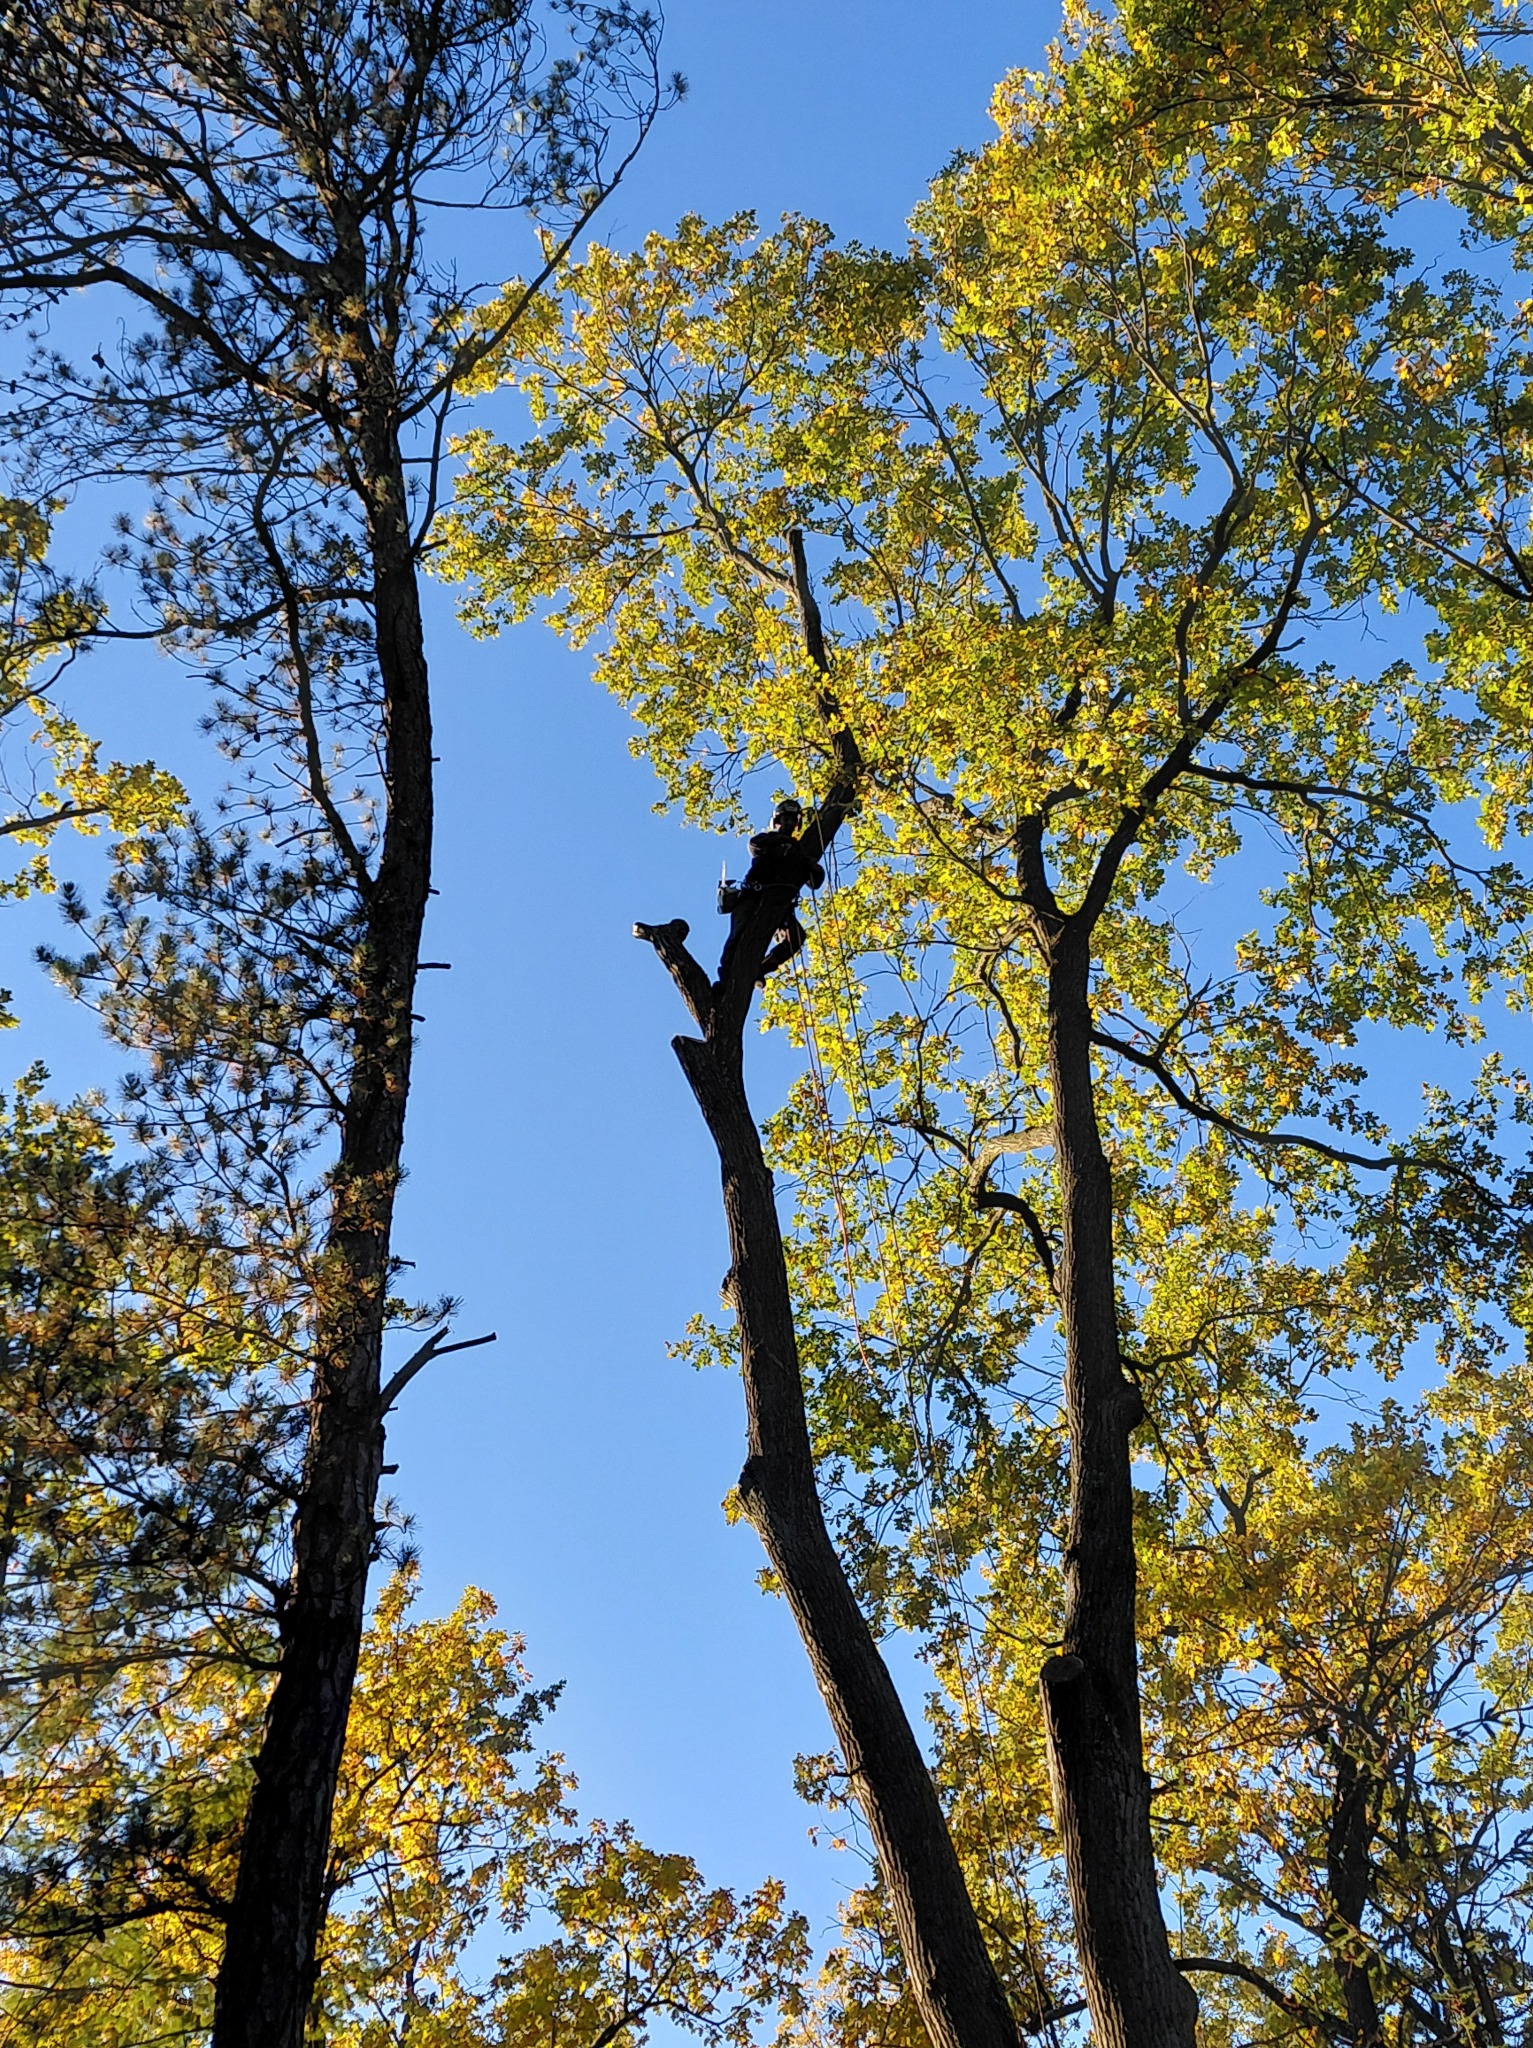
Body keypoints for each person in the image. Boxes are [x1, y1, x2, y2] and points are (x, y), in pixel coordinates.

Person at [717, 797, 825, 985]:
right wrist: (780, 843)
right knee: (739, 934)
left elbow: (815, 881)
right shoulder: (767, 840)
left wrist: (811, 865)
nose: (789, 822)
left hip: (780, 905)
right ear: (778, 821)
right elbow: (755, 845)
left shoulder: (798, 852)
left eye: (793, 819)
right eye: (786, 818)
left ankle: (761, 968)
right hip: (753, 895)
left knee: (796, 937)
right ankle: (726, 979)